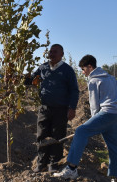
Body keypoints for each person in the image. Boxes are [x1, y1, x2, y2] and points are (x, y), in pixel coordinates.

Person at [53, 55, 117, 182]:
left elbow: (94, 106)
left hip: (106, 114)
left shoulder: (93, 80)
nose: (83, 72)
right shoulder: (110, 77)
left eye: (83, 69)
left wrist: (94, 121)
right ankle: (116, 179)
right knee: (114, 146)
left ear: (90, 67)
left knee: (81, 131)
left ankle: (71, 168)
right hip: (116, 115)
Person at [26, 44, 79, 173]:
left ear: (62, 54)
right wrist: (14, 78)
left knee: (57, 136)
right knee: (42, 135)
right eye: (50, 51)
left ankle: (53, 163)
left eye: (55, 52)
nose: (51, 53)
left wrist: (72, 108)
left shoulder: (67, 70)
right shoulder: (43, 68)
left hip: (61, 109)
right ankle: (41, 162)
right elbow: (30, 80)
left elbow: (74, 90)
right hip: (44, 108)